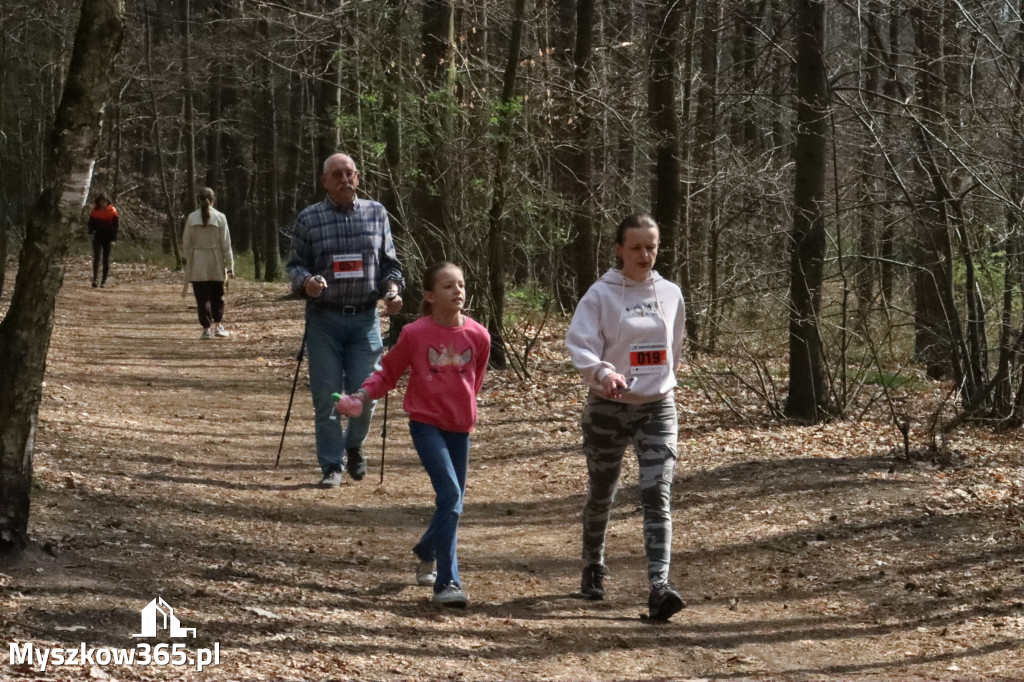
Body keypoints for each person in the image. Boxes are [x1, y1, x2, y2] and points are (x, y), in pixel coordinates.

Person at [336, 262, 489, 608]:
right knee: (451, 494)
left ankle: (425, 549)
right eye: (448, 286)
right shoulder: (415, 334)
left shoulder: (479, 336)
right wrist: (360, 396)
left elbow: (473, 383)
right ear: (430, 296)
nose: (458, 292)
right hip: (426, 424)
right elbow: (387, 373)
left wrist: (462, 408)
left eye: (461, 285)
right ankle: (447, 583)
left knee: (452, 503)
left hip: (460, 428)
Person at [565, 213, 687, 622]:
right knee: (603, 490)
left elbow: (674, 345)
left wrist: (661, 382)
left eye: (651, 246)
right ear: (619, 249)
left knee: (657, 494)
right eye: (635, 247)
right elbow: (579, 344)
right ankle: (593, 565)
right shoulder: (601, 295)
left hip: (657, 406)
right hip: (608, 409)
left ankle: (659, 586)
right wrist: (603, 372)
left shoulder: (670, 293)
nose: (644, 254)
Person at [286, 153, 405, 488]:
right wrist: (306, 282)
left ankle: (353, 444)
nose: (343, 180)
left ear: (358, 177)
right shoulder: (310, 218)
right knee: (326, 398)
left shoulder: (376, 214)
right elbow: (295, 265)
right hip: (324, 320)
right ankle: (331, 465)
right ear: (325, 181)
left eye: (348, 174)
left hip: (365, 319)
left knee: (365, 395)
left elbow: (390, 267)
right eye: (335, 175)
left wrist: (393, 292)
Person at [182, 187, 234, 340]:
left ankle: (206, 329)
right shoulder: (220, 217)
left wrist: (189, 258)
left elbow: (186, 242)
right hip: (216, 260)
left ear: (199, 200)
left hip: (198, 260)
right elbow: (226, 243)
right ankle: (218, 326)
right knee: (217, 295)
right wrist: (230, 264)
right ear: (213, 200)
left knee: (202, 297)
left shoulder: (192, 218)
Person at [87, 194, 119, 288]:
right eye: (101, 202)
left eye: (105, 202)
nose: (103, 204)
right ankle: (95, 279)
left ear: (107, 202)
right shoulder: (95, 211)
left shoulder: (112, 211)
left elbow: (116, 227)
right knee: (97, 257)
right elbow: (90, 223)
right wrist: (90, 232)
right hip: (98, 236)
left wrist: (113, 240)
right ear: (99, 202)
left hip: (108, 238)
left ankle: (103, 281)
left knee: (105, 259)